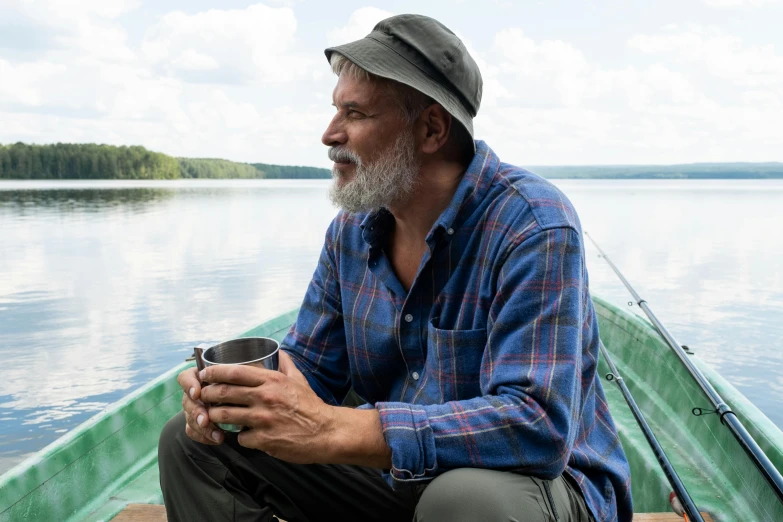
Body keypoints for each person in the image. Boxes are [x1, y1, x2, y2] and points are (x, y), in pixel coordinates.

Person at [158, 13, 632, 522]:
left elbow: (537, 427)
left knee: (466, 501)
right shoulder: (351, 231)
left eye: (355, 113)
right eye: (335, 109)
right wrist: (232, 401)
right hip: (396, 480)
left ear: (430, 128)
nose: (328, 133)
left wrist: (340, 430)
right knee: (191, 445)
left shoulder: (534, 226)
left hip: (541, 489)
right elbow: (310, 370)